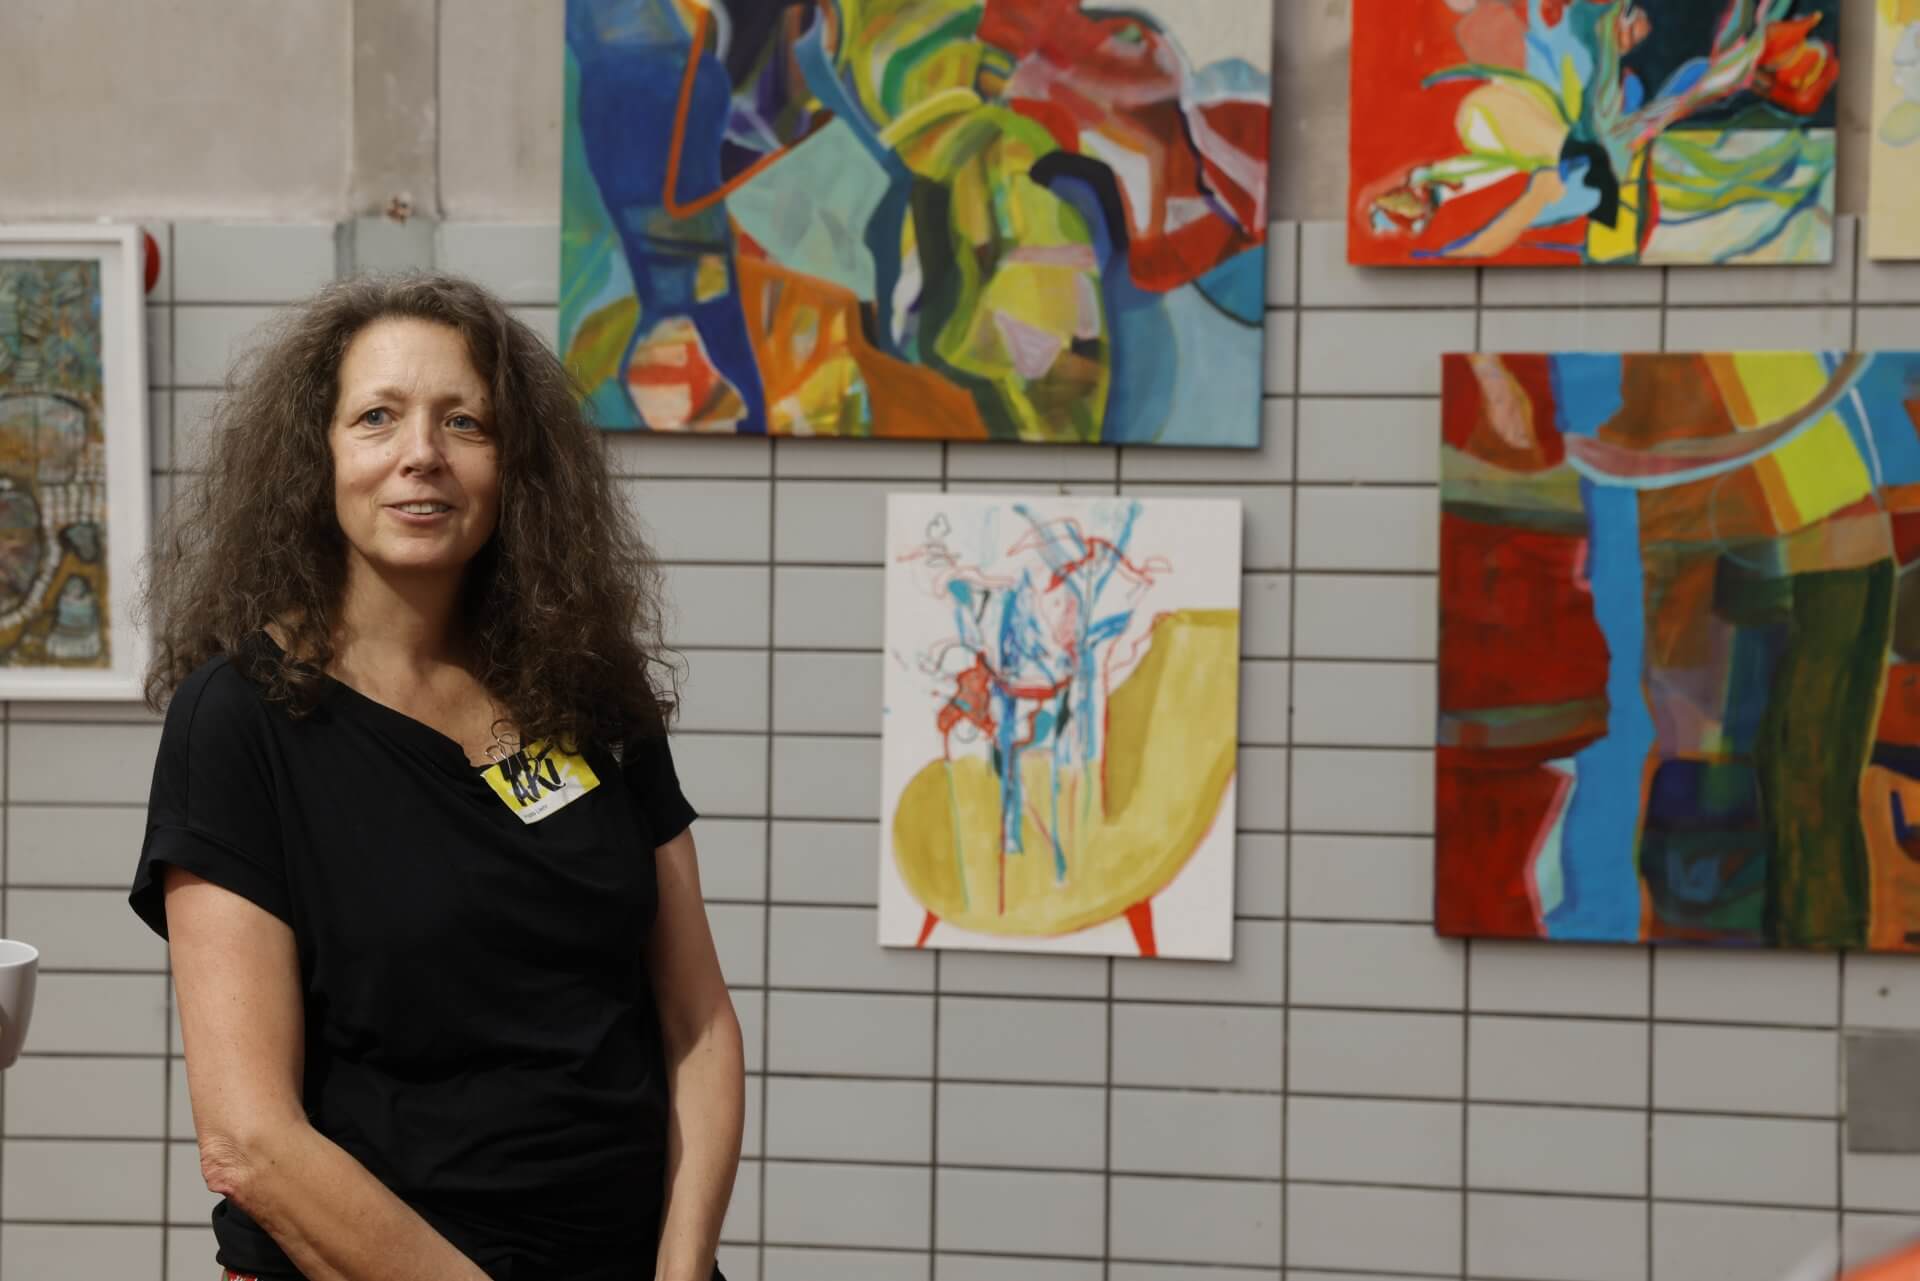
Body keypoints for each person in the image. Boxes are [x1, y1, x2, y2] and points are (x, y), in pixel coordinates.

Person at [126, 273, 744, 1280]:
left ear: (516, 467)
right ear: (317, 457)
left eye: (465, 421)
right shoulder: (240, 721)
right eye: (377, 417)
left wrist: (684, 1269)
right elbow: (250, 1139)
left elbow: (698, 1024)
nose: (423, 453)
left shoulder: (589, 691)